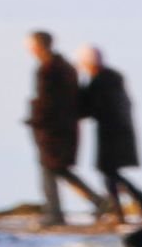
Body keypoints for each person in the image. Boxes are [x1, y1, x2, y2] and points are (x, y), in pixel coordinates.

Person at [23, 31, 97, 222]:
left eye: (30, 45)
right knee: (58, 168)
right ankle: (97, 202)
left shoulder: (49, 69)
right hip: (63, 126)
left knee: (50, 168)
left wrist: (36, 117)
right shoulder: (65, 67)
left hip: (53, 128)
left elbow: (49, 101)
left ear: (38, 46)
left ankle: (54, 213)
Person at [78, 46, 142, 219]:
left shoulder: (101, 81)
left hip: (111, 132)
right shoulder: (111, 78)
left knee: (108, 171)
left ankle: (125, 207)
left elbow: (91, 107)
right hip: (118, 130)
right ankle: (138, 203)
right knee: (110, 172)